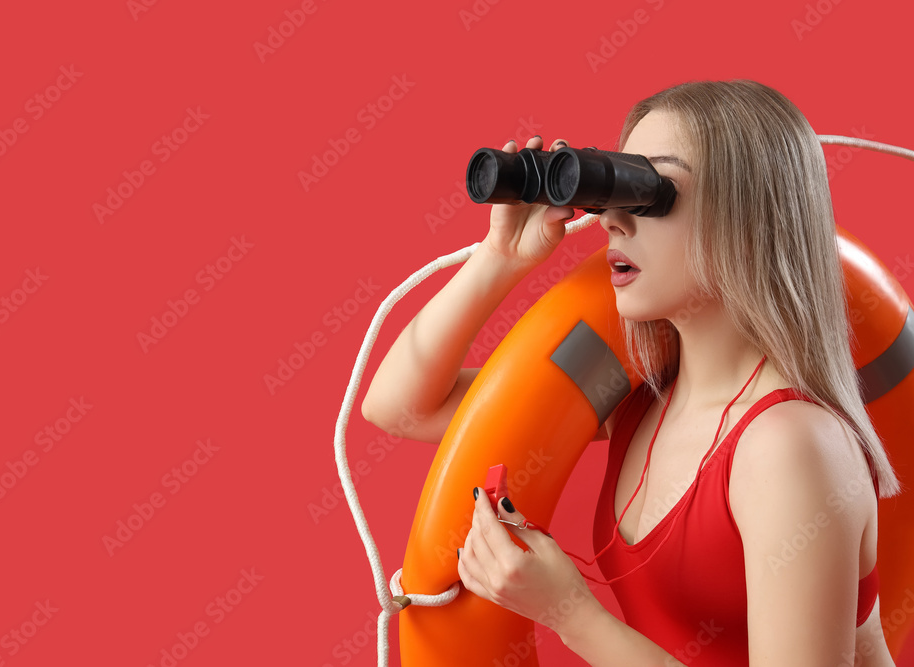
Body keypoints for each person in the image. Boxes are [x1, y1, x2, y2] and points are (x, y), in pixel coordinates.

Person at [361, 80, 899, 666]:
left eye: (649, 191)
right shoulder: (641, 402)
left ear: (748, 216)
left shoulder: (792, 445)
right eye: (613, 184)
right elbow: (401, 407)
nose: (613, 217)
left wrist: (570, 614)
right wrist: (500, 259)